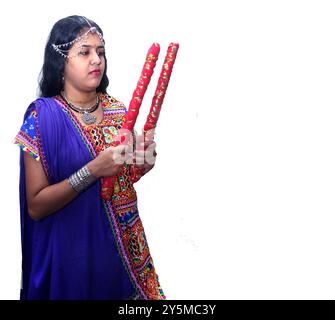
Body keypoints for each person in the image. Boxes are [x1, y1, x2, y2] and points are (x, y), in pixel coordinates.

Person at [13, 15, 166, 300]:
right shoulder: (41, 119)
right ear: (60, 62)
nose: (96, 59)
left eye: (101, 52)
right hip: (71, 261)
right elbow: (36, 206)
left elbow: (123, 181)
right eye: (84, 52)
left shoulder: (117, 111)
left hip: (124, 254)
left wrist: (143, 164)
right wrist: (93, 170)